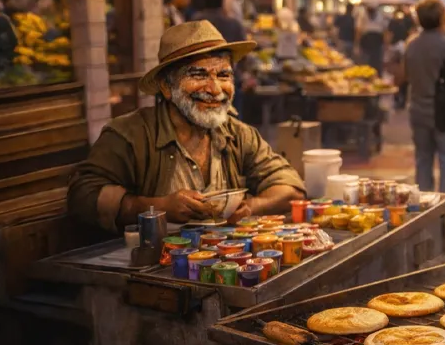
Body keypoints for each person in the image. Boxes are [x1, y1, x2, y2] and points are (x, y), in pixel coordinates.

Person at [68, 21, 305, 231]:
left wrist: (251, 207)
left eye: (224, 75)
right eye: (199, 75)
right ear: (166, 86)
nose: (215, 89)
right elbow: (82, 196)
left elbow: (291, 187)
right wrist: (157, 207)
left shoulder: (238, 134)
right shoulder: (130, 135)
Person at [402, 0, 445, 194]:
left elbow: (406, 75)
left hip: (418, 109)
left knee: (423, 161)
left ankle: (423, 204)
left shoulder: (411, 45)